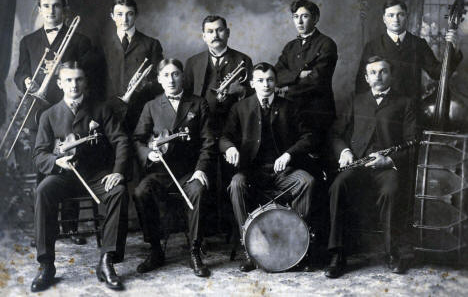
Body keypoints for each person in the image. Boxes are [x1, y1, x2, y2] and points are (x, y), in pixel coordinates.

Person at [31, 61, 130, 292]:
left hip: (97, 175)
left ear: (85, 82)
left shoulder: (102, 109)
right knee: (43, 190)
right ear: (59, 83)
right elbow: (39, 154)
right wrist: (57, 161)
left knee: (118, 191)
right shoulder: (49, 115)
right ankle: (46, 265)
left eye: (78, 80)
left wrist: (117, 171)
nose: (74, 85)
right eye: (68, 80)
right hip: (64, 176)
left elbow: (121, 140)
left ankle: (107, 261)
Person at [14, 0, 98, 245]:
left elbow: (91, 79)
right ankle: (45, 230)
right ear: (40, 9)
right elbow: (19, 74)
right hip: (39, 114)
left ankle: (71, 228)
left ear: (64, 10)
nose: (51, 11)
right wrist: (27, 80)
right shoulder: (28, 41)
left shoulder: (81, 41)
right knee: (45, 167)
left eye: (56, 6)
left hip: (70, 113)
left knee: (71, 163)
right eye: (46, 6)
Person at [220, 62, 318, 272]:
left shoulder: (289, 107)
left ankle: (298, 245)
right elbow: (225, 136)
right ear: (253, 83)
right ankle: (249, 249)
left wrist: (288, 154)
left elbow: (308, 137)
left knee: (306, 181)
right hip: (252, 173)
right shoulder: (240, 108)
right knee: (236, 184)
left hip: (283, 172)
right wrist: (229, 148)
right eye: (261, 80)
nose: (266, 84)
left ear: (276, 82)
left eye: (270, 80)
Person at [325, 56, 417, 278]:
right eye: (373, 72)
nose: (378, 76)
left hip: (387, 168)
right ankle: (338, 254)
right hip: (358, 164)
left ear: (391, 76)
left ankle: (393, 252)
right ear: (366, 78)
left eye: (383, 71)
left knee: (391, 190)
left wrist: (389, 160)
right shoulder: (356, 100)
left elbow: (414, 143)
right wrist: (345, 152)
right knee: (338, 186)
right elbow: (335, 134)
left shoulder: (405, 103)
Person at [133, 59, 216, 277]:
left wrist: (201, 169)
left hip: (189, 171)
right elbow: (138, 140)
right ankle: (155, 250)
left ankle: (194, 250)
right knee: (141, 191)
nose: (171, 79)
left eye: (176, 74)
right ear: (159, 79)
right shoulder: (151, 106)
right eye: (166, 75)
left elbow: (209, 141)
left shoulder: (198, 104)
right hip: (161, 172)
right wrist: (149, 153)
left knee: (197, 190)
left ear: (182, 77)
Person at [355, 0, 461, 121]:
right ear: (384, 19)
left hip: (411, 112)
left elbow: (437, 73)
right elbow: (362, 83)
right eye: (391, 15)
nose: (396, 19)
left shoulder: (418, 44)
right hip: (382, 112)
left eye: (400, 14)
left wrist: (455, 52)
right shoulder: (373, 46)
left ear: (407, 17)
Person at [275, 0, 337, 134]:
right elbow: (276, 73)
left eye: (305, 16)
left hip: (317, 113)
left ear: (315, 18)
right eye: (296, 17)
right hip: (291, 111)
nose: (299, 22)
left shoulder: (326, 44)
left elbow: (317, 81)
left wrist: (285, 89)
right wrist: (298, 75)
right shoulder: (290, 46)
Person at [102, 0, 164, 131]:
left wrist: (145, 85)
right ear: (112, 16)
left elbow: (160, 82)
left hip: (140, 111)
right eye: (119, 14)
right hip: (109, 112)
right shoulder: (102, 46)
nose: (124, 19)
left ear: (136, 15)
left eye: (129, 14)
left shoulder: (151, 44)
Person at [184, 15, 253, 135]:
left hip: (234, 124)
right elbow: (185, 96)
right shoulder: (192, 62)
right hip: (201, 125)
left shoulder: (244, 59)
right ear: (204, 37)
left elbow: (254, 96)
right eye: (210, 32)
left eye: (219, 30)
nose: (215, 35)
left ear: (227, 33)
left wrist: (242, 91)